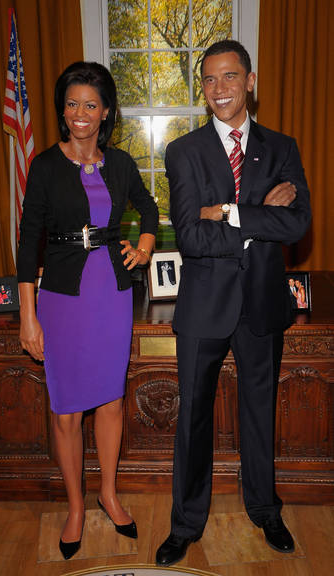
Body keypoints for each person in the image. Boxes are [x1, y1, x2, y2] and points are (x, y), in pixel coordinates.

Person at [156, 39, 311, 567]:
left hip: (263, 304)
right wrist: (253, 212)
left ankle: (266, 510)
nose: (219, 88)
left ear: (251, 80)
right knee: (193, 417)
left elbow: (297, 222)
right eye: (209, 79)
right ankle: (185, 524)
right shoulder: (183, 152)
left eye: (229, 77)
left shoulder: (283, 147)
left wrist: (226, 213)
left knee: (258, 414)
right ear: (203, 89)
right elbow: (190, 238)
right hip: (204, 306)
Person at [17, 61, 158, 561]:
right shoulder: (45, 166)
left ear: (105, 113)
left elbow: (149, 208)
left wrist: (143, 246)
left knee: (112, 402)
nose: (80, 113)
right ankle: (76, 506)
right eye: (72, 103)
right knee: (67, 410)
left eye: (90, 105)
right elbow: (27, 241)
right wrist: (26, 314)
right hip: (60, 299)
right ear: (63, 111)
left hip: (111, 296)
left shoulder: (119, 164)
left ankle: (109, 493)